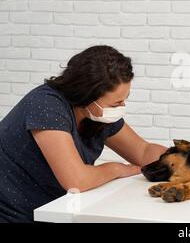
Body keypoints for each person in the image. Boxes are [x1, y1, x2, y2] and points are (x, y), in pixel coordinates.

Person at [0, 45, 167, 222]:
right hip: (13, 213)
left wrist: (188, 161)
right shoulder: (45, 105)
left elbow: (142, 151)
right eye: (116, 104)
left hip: (53, 209)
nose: (122, 107)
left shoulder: (96, 114)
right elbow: (76, 180)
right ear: (88, 96)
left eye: (124, 100)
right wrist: (116, 168)